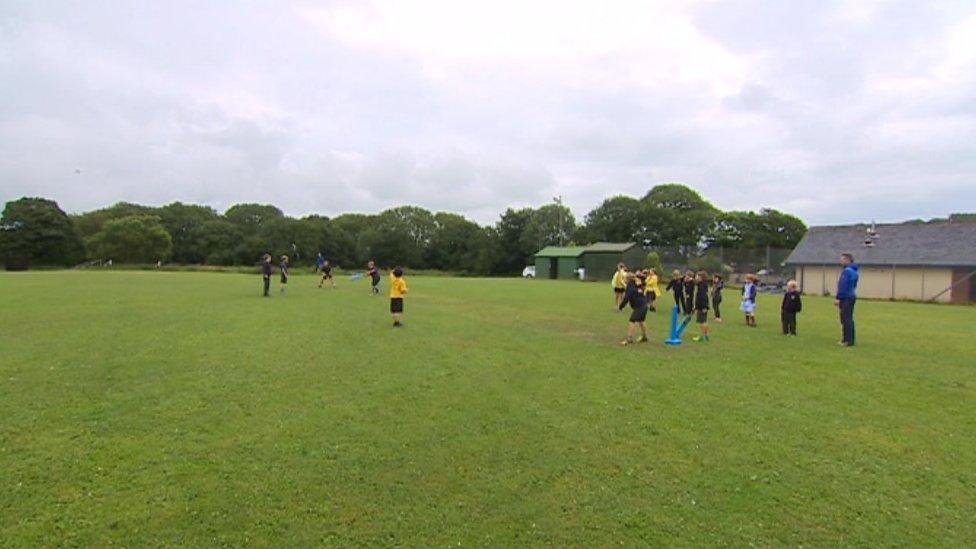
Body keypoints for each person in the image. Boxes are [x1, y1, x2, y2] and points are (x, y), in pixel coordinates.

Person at [618, 272, 649, 345]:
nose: (623, 279)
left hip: (640, 306)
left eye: (624, 278)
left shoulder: (630, 285)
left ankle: (629, 339)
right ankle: (644, 337)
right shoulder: (636, 284)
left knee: (632, 320)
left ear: (627, 279)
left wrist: (621, 306)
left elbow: (627, 297)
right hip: (644, 304)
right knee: (641, 320)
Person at [835, 252, 859, 346]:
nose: (840, 261)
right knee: (849, 318)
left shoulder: (847, 271)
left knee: (845, 318)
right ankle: (850, 339)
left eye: (842, 259)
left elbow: (843, 285)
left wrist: (838, 298)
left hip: (846, 297)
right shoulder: (855, 271)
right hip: (851, 296)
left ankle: (847, 340)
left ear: (847, 260)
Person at [692, 270, 711, 342]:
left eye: (697, 276)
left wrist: (704, 307)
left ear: (701, 277)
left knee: (702, 322)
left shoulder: (701, 286)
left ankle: (703, 336)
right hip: (702, 306)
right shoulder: (702, 285)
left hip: (702, 307)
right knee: (704, 321)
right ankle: (705, 336)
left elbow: (702, 297)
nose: (696, 277)